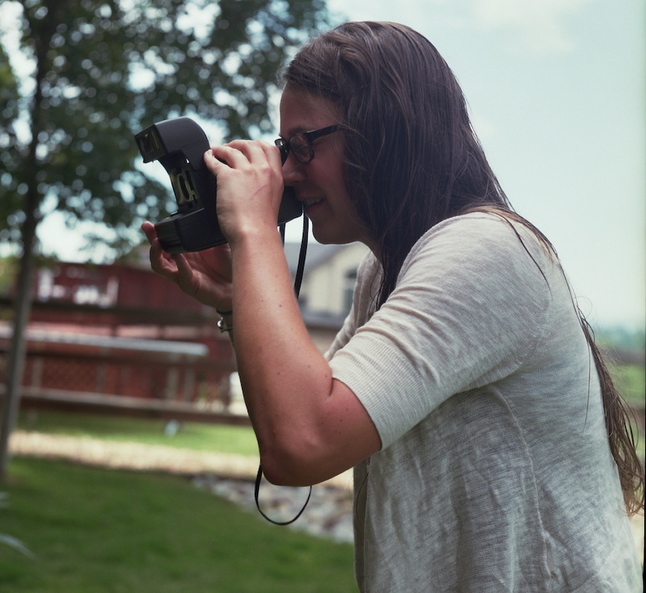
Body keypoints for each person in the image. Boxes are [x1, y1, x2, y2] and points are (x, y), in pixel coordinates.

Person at [141, 21, 644, 592]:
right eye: (285, 149)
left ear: (388, 134)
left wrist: (255, 233)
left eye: (304, 145)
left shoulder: (485, 252)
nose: (287, 173)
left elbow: (303, 442)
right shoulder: (387, 270)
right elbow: (312, 404)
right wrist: (238, 300)